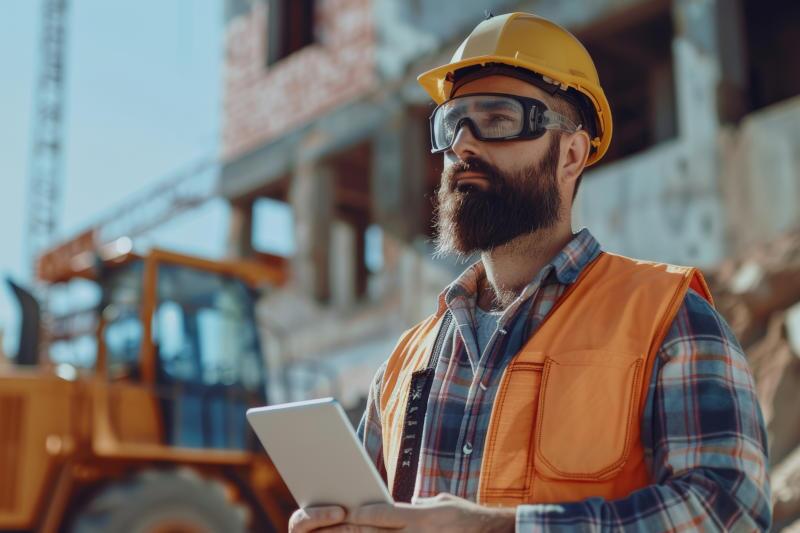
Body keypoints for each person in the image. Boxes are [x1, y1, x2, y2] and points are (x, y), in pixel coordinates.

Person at [290, 12, 771, 532]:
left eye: (497, 119)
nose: (463, 146)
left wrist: (495, 528)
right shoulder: (406, 363)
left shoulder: (668, 317)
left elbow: (731, 514)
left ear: (570, 153)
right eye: (453, 125)